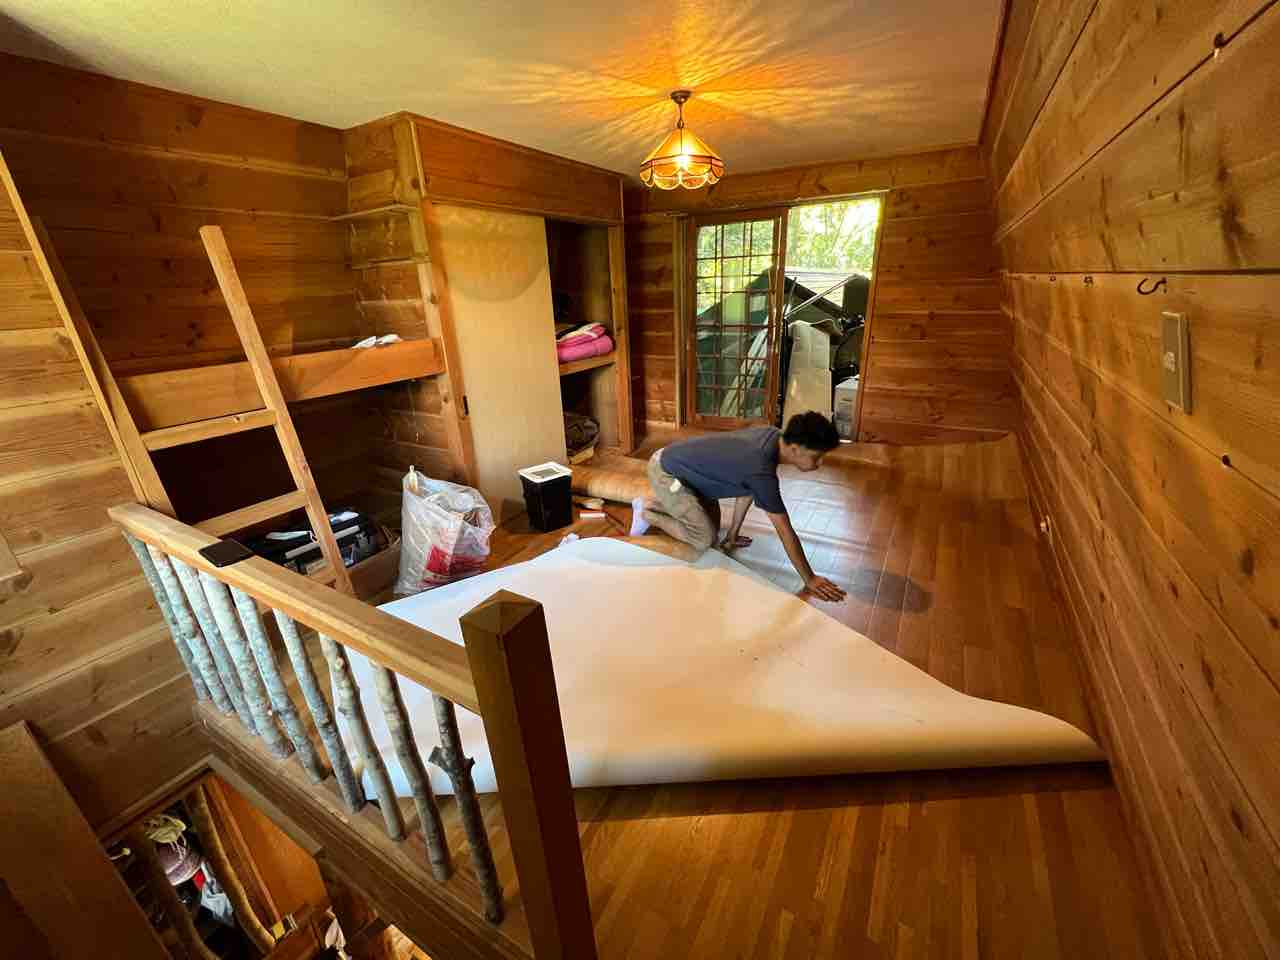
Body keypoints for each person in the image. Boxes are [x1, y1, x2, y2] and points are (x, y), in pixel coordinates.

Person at [631, 411, 848, 602]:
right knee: (704, 539)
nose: (820, 463)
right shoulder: (760, 468)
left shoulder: (772, 436)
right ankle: (647, 512)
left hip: (685, 471)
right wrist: (810, 579)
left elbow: (746, 489)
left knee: (713, 531)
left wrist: (732, 535)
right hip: (667, 473)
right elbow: (784, 530)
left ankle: (663, 505)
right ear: (795, 449)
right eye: (817, 457)